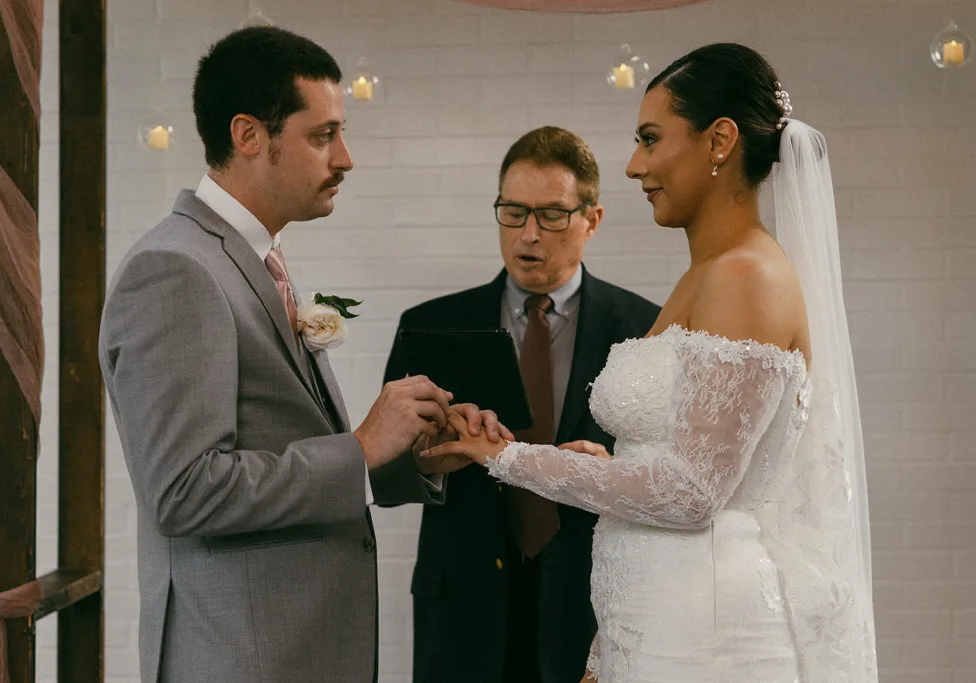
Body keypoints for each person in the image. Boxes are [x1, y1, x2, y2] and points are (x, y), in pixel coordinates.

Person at [424, 43, 878, 683]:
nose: (635, 166)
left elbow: (692, 496)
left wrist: (499, 455)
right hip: (661, 618)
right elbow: (695, 466)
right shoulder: (709, 275)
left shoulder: (746, 276)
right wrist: (616, 467)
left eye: (651, 138)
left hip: (708, 632)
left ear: (719, 140)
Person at [98, 27, 506, 683]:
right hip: (243, 660)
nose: (345, 157)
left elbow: (279, 448)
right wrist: (362, 446)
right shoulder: (175, 269)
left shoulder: (252, 258)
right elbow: (183, 492)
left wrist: (414, 459)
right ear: (249, 135)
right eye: (323, 136)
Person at [384, 127, 660, 683]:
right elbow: (384, 478)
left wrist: (611, 474)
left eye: (551, 215)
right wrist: (425, 464)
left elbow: (668, 478)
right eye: (512, 212)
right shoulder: (430, 326)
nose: (528, 234)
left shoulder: (644, 328)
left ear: (593, 219)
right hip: (461, 607)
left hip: (592, 604)